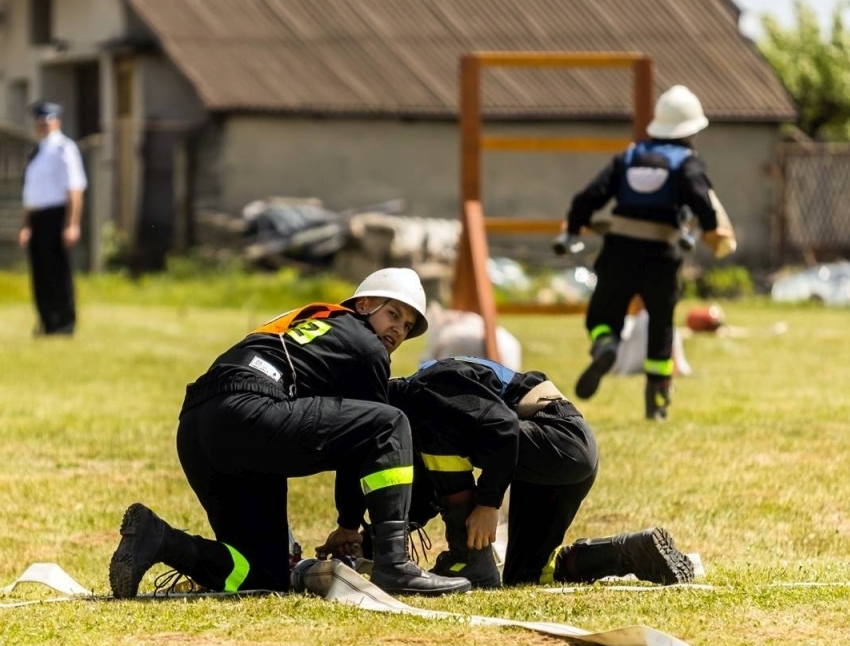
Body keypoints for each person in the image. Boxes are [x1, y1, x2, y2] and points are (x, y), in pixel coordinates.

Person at [108, 268, 471, 598]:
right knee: (391, 423)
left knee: (262, 574)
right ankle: (394, 566)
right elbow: (369, 442)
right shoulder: (367, 346)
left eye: (407, 326)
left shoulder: (318, 324)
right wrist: (348, 526)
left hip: (197, 425)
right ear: (363, 305)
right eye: (393, 314)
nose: (397, 330)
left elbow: (351, 433)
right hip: (249, 411)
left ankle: (159, 540)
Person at [373, 356, 692, 587]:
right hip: (559, 454)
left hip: (559, 437)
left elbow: (502, 429)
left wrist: (488, 505)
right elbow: (436, 488)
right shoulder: (423, 404)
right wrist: (370, 543)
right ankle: (626, 552)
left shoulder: (428, 386)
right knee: (524, 576)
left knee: (438, 432)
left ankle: (468, 559)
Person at [559, 85, 736, 419]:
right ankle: (657, 399)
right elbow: (703, 201)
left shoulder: (628, 157)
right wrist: (711, 228)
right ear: (691, 131)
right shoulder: (687, 163)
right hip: (661, 255)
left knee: (601, 314)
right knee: (660, 324)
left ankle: (604, 344)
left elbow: (589, 196)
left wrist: (573, 226)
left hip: (618, 251)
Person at [19, 100, 86, 336]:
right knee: (40, 273)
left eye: (47, 119)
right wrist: (26, 225)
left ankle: (64, 323)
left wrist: (72, 223)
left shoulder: (64, 148)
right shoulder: (36, 152)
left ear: (57, 121)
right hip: (37, 217)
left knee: (59, 272)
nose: (42, 124)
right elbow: (30, 194)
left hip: (57, 215)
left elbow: (75, 188)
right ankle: (46, 321)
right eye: (39, 119)